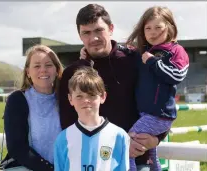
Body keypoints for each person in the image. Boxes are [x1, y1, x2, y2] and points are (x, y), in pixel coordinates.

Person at [57, 4, 168, 170]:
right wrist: (117, 146)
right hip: (91, 162)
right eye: (86, 33)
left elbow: (161, 102)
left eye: (98, 30)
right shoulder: (72, 73)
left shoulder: (137, 60)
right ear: (80, 36)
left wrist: (157, 138)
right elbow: (68, 123)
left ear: (110, 29)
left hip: (137, 158)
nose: (93, 38)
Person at [121, 6, 189, 171]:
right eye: (148, 28)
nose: (153, 32)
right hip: (147, 114)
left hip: (159, 115)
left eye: (158, 27)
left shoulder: (175, 51)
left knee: (128, 143)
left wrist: (153, 62)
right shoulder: (143, 51)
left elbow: (177, 75)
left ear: (169, 27)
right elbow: (123, 51)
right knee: (151, 154)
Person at [0, 45, 64, 171]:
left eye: (48, 65)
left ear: (57, 70)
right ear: (28, 72)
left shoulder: (67, 100)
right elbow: (17, 148)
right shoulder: (18, 99)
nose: (43, 70)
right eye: (37, 66)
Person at [54, 66, 130, 171]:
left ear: (103, 97)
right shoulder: (63, 139)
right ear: (70, 99)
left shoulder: (119, 136)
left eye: (91, 95)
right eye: (79, 96)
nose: (86, 100)